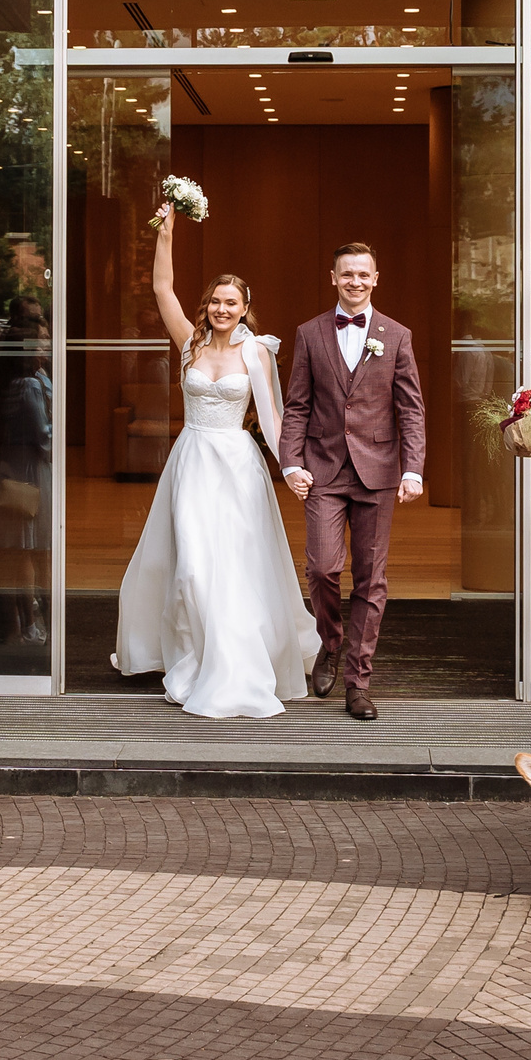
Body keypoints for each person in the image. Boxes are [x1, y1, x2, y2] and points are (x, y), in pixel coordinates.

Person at [115, 204, 320, 718]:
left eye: (232, 303)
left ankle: (234, 664)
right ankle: (192, 656)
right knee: (191, 567)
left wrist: (290, 467)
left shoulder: (258, 352)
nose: (221, 310)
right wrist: (166, 234)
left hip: (237, 464)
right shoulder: (189, 343)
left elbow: (273, 417)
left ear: (246, 306)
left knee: (235, 565)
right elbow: (163, 289)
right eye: (215, 302)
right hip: (191, 462)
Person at [278, 242, 428, 722]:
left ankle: (358, 682)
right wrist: (290, 462)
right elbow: (297, 404)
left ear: (376, 278)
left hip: (378, 472)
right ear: (333, 276)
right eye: (347, 274)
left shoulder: (397, 336)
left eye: (364, 275)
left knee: (371, 579)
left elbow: (411, 408)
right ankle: (330, 641)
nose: (356, 282)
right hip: (323, 468)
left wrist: (412, 468)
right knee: (322, 568)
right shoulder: (309, 333)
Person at [0, 298, 54, 645]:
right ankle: (29, 623)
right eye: (42, 342)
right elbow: (42, 433)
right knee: (28, 550)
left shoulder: (34, 377)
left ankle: (31, 617)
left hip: (22, 465)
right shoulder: (28, 383)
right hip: (28, 471)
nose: (47, 346)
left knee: (28, 551)